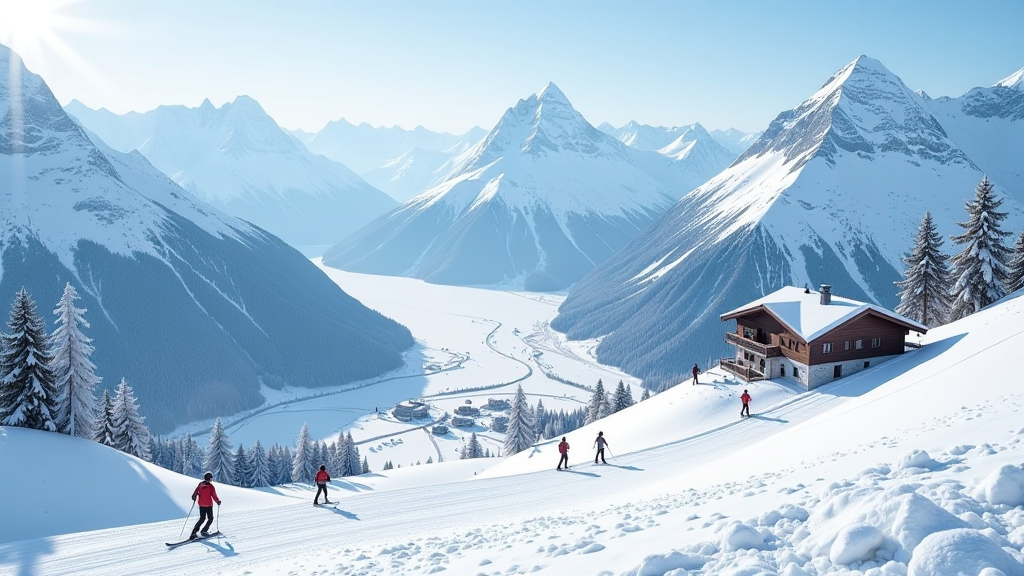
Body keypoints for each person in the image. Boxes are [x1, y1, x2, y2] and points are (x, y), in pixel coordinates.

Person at [190, 472, 221, 539]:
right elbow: (214, 495)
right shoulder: (210, 486)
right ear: (209, 478)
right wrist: (218, 501)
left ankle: (193, 533)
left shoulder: (200, 484)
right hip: (209, 505)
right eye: (211, 478)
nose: (211, 480)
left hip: (201, 505)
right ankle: (204, 531)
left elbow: (195, 492)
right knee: (210, 518)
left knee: (202, 519)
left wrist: (194, 496)